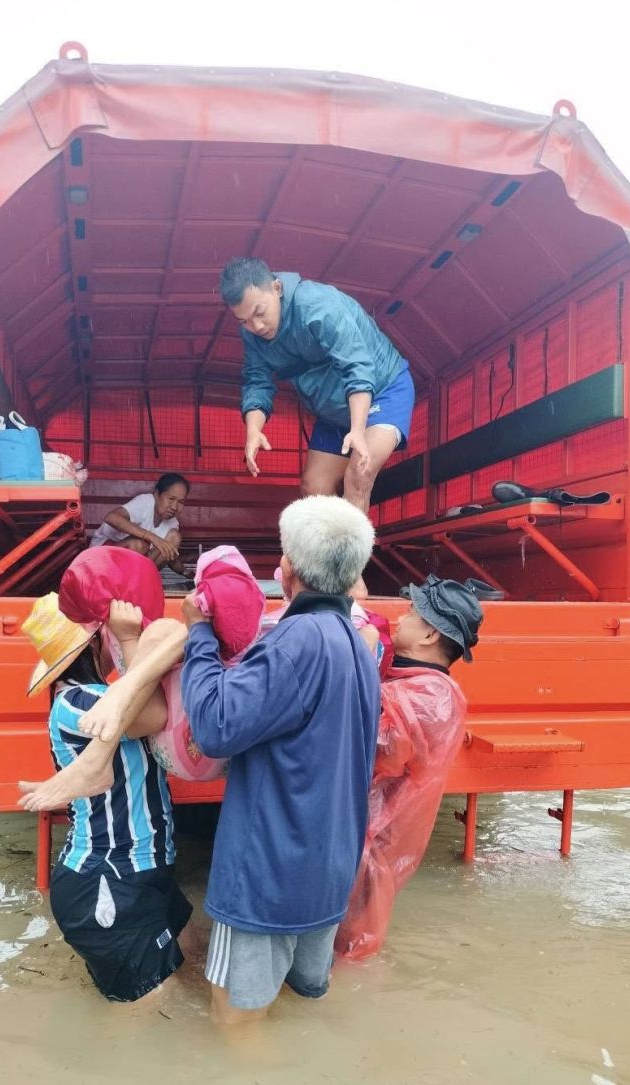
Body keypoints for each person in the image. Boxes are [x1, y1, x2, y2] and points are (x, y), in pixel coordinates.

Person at [180, 495, 381, 1022]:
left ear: (286, 569)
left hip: (268, 874)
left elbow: (216, 726)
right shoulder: (357, 643)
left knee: (236, 1019)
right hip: (327, 868)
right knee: (298, 1008)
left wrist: (198, 634)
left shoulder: (296, 641)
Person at [18, 566, 192, 1003]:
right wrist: (131, 639)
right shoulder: (79, 702)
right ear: (96, 642)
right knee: (148, 1008)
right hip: (111, 877)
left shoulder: (104, 695)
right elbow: (154, 714)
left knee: (173, 975)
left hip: (135, 873)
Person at [335, 577, 483, 961]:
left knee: (346, 945)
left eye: (411, 613)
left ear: (430, 635)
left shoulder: (433, 697)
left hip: (369, 839)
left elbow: (372, 743)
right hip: (357, 832)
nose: (400, 620)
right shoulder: (415, 682)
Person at [220, 257, 415, 512]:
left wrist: (358, 430)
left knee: (359, 474)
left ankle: (352, 541)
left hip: (382, 391)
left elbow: (356, 366)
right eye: (243, 320)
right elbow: (257, 381)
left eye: (259, 312)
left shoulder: (316, 305)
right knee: (314, 488)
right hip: (334, 411)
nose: (256, 326)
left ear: (277, 288)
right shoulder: (252, 333)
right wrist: (253, 430)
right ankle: (329, 541)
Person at [90, 472, 194, 578]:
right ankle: (117, 579)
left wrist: (186, 572)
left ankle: (138, 579)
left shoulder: (173, 523)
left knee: (174, 537)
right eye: (171, 499)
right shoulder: (146, 502)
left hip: (131, 568)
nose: (174, 507)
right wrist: (152, 537)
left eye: (181, 502)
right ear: (157, 494)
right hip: (101, 559)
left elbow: (169, 556)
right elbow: (112, 517)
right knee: (140, 545)